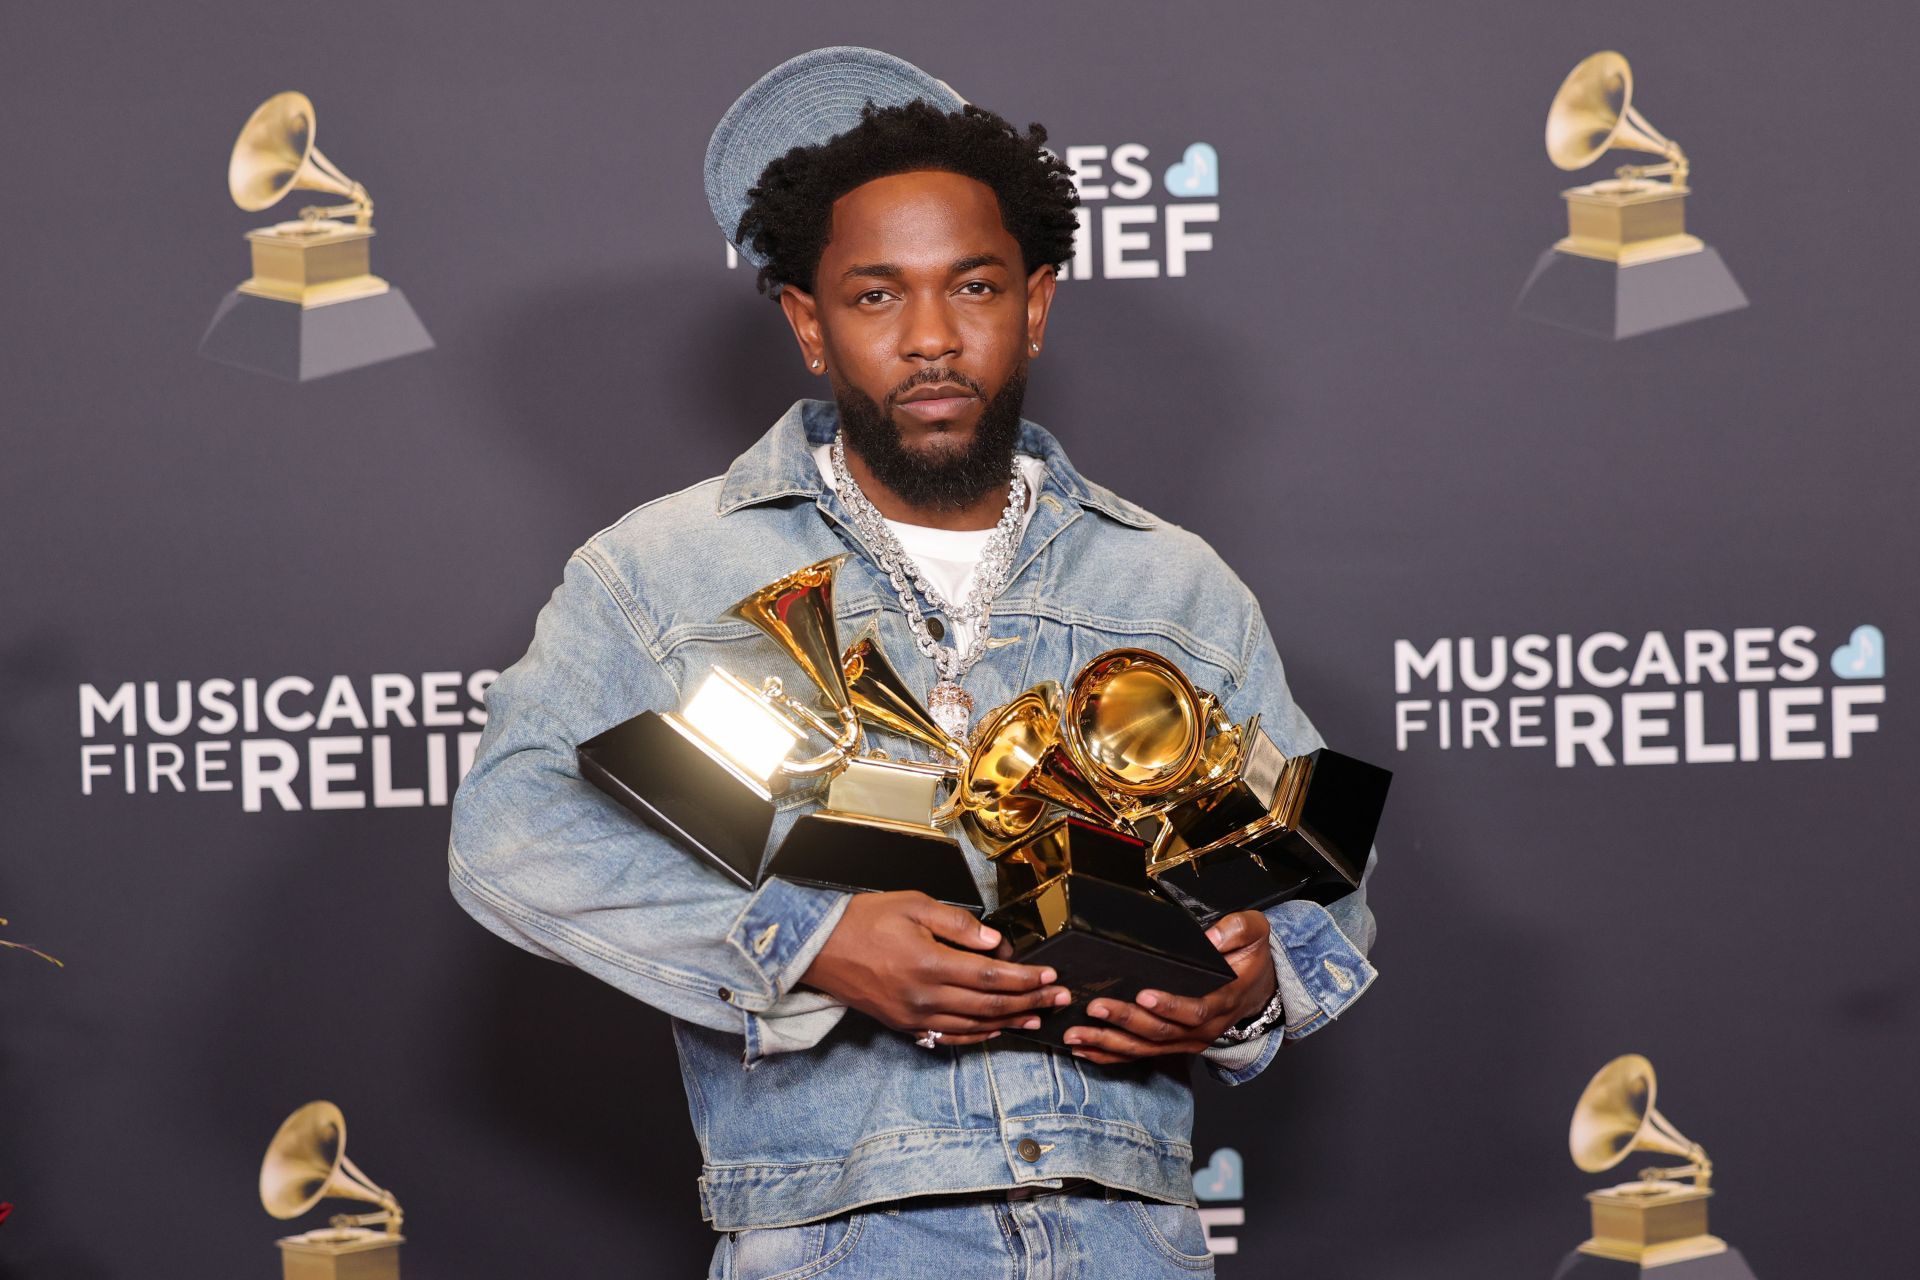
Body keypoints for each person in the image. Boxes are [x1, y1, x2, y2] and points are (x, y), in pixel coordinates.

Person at [450, 46, 1378, 1280]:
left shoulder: (1173, 583)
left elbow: (1322, 885)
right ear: (809, 325)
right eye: (878, 296)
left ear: (1036, 304)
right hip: (839, 1238)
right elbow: (511, 830)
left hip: (1131, 1234)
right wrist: (809, 942)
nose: (933, 337)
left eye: (975, 287)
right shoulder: (659, 571)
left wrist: (1248, 989)